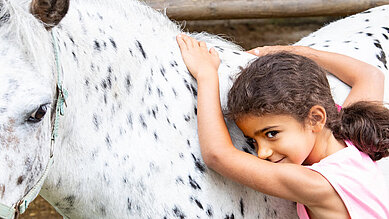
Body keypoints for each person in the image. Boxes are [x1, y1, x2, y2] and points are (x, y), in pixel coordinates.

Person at [176, 33, 389, 219]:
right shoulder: (350, 134)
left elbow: (217, 155)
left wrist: (206, 75)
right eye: (252, 141)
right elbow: (370, 75)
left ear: (315, 118)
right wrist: (291, 52)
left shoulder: (316, 184)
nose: (262, 152)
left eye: (271, 133)